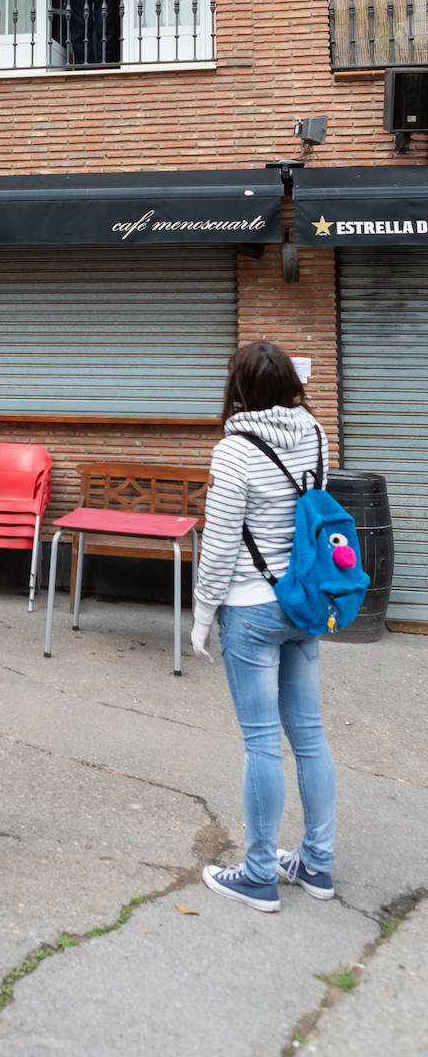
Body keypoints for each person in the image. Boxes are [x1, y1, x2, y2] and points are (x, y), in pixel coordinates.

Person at [191, 341, 336, 913]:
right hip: (303, 600)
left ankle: (258, 875)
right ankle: (318, 865)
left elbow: (221, 542)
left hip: (251, 608)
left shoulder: (233, 452)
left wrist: (202, 616)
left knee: (260, 742)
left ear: (239, 388)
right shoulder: (317, 434)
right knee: (309, 732)